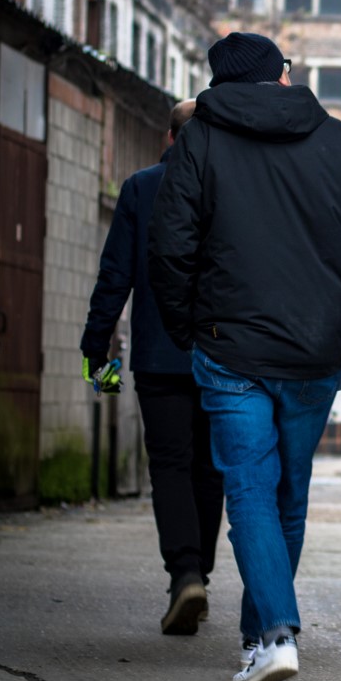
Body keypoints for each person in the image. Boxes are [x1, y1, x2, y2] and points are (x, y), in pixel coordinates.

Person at [148, 32, 341, 681]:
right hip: (315, 348)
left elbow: (171, 246)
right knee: (288, 492)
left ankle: (274, 636)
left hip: (230, 347)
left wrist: (187, 330)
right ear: (282, 77)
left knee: (249, 492)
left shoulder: (199, 140)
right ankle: (263, 639)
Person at [81, 99, 223, 636]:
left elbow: (114, 273)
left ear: (168, 138)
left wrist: (97, 349)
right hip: (221, 354)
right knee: (210, 470)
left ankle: (184, 572)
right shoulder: (228, 188)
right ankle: (199, 575)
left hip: (160, 356)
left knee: (169, 466)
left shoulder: (141, 186)